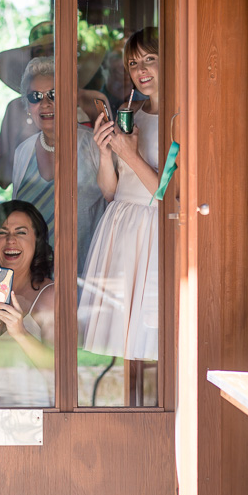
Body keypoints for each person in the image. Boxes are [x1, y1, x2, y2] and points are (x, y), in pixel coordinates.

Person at [78, 27, 161, 364]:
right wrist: (103, 152)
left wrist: (129, 155)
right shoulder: (134, 112)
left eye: (150, 60)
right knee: (118, 337)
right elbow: (111, 191)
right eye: (133, 63)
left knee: (148, 333)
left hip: (152, 229)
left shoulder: (181, 119)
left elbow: (169, 193)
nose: (140, 71)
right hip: (120, 225)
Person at [10, 57, 107, 265]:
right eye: (35, 97)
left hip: (84, 275)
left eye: (53, 94)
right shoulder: (22, 152)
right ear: (28, 106)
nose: (45, 103)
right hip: (33, 276)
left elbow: (116, 211)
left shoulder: (95, 146)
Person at [0, 21, 109, 189]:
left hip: (85, 201)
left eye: (53, 48)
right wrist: (25, 140)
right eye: (39, 51)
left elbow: (113, 164)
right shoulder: (16, 109)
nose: (47, 55)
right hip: (31, 205)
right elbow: (1, 180)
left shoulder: (93, 101)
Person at [0, 200, 55, 408]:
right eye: (2, 232)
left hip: (32, 417)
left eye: (20, 232)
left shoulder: (51, 296)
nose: (10, 240)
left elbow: (60, 371)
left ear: (37, 240)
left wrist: (20, 332)